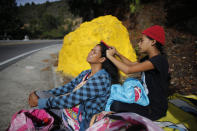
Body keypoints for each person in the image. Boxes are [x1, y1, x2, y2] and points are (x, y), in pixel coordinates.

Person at [28, 41, 119, 130]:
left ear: (102, 59)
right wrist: (43, 94)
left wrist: (40, 102)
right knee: (39, 94)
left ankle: (59, 124)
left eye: (94, 52)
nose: (90, 53)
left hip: (78, 122)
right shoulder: (86, 73)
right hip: (66, 112)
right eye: (91, 50)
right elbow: (67, 87)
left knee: (41, 102)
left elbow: (71, 99)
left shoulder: (101, 79)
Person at [106, 25, 170, 120]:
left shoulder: (159, 60)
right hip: (145, 101)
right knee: (114, 99)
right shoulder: (148, 59)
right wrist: (117, 53)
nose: (139, 44)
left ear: (153, 42)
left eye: (142, 40)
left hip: (154, 109)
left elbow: (128, 70)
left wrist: (110, 57)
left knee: (115, 105)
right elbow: (131, 65)